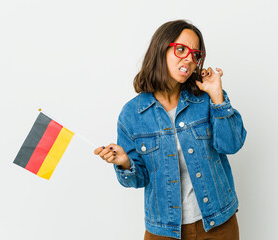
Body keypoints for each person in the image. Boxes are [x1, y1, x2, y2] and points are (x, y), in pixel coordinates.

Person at [94, 19, 247, 240]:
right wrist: (126, 163)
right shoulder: (132, 114)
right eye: (181, 49)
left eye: (195, 55)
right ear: (161, 50)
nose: (189, 58)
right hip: (163, 231)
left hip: (218, 224)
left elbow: (231, 145)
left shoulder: (206, 99)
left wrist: (217, 97)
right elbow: (137, 180)